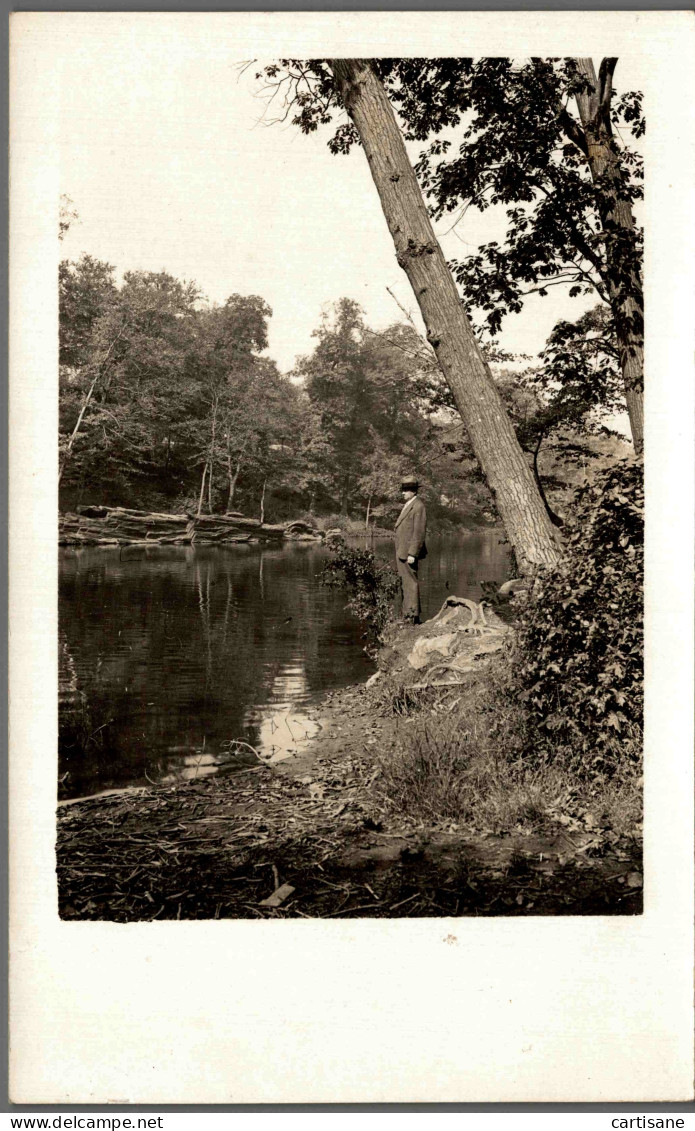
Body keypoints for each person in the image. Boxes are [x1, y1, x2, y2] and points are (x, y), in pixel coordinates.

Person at [394, 476, 427, 624]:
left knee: (410, 583)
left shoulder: (418, 506)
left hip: (408, 552)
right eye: (403, 490)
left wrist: (413, 553)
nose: (403, 493)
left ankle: (412, 617)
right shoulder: (409, 504)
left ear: (413, 491)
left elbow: (419, 532)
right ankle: (407, 614)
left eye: (406, 490)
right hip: (402, 551)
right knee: (405, 582)